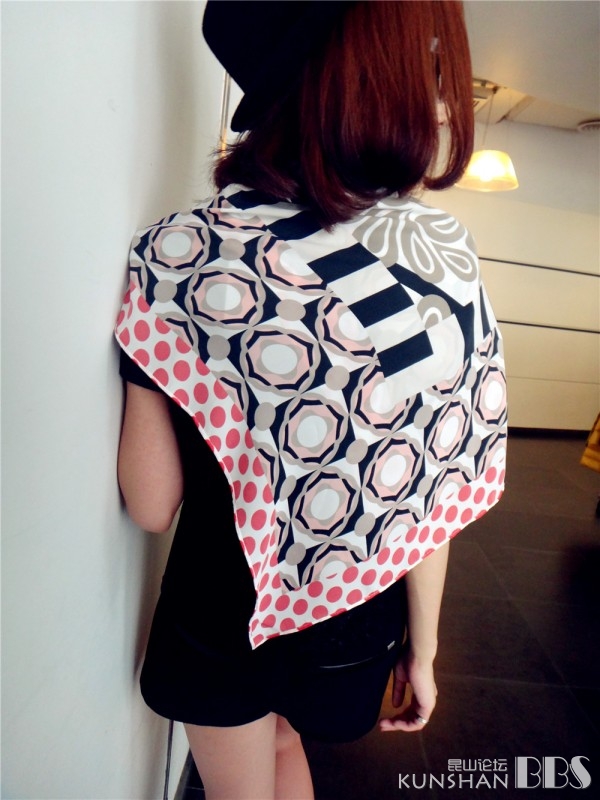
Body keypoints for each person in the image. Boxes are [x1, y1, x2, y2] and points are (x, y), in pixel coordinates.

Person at [116, 2, 507, 798]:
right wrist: (424, 649)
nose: (444, 105)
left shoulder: (178, 252)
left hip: (219, 612)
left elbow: (151, 504)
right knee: (290, 744)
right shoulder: (444, 258)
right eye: (432, 69)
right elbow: (432, 486)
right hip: (355, 622)